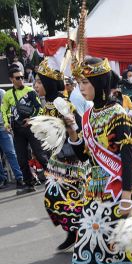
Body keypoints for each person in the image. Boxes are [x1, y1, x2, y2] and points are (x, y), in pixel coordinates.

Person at [65, 56, 132, 264]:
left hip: (119, 188)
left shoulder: (117, 115)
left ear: (99, 82)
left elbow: (127, 157)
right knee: (91, 244)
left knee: (125, 243)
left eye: (85, 82)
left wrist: (126, 196)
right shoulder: (88, 115)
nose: (81, 87)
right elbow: (85, 157)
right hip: (95, 189)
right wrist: (72, 131)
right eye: (79, 82)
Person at [34, 58, 86, 251]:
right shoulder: (47, 103)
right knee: (54, 198)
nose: (36, 85)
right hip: (58, 158)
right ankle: (73, 232)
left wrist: (66, 129)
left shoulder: (59, 102)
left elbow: (76, 125)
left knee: (67, 198)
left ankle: (79, 233)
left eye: (39, 82)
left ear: (47, 83)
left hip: (70, 158)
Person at [1, 66, 45, 194]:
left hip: (31, 127)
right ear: (11, 79)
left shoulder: (30, 91)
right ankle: (29, 184)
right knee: (21, 159)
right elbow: (4, 110)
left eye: (22, 77)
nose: (21, 80)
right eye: (18, 78)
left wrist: (31, 119)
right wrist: (7, 124)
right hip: (18, 130)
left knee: (41, 155)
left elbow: (39, 108)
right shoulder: (8, 95)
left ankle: (54, 179)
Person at [0, 89, 24, 188]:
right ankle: (2, 179)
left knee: (11, 153)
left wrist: (8, 123)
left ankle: (20, 177)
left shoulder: (1, 92)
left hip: (3, 128)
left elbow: (9, 108)